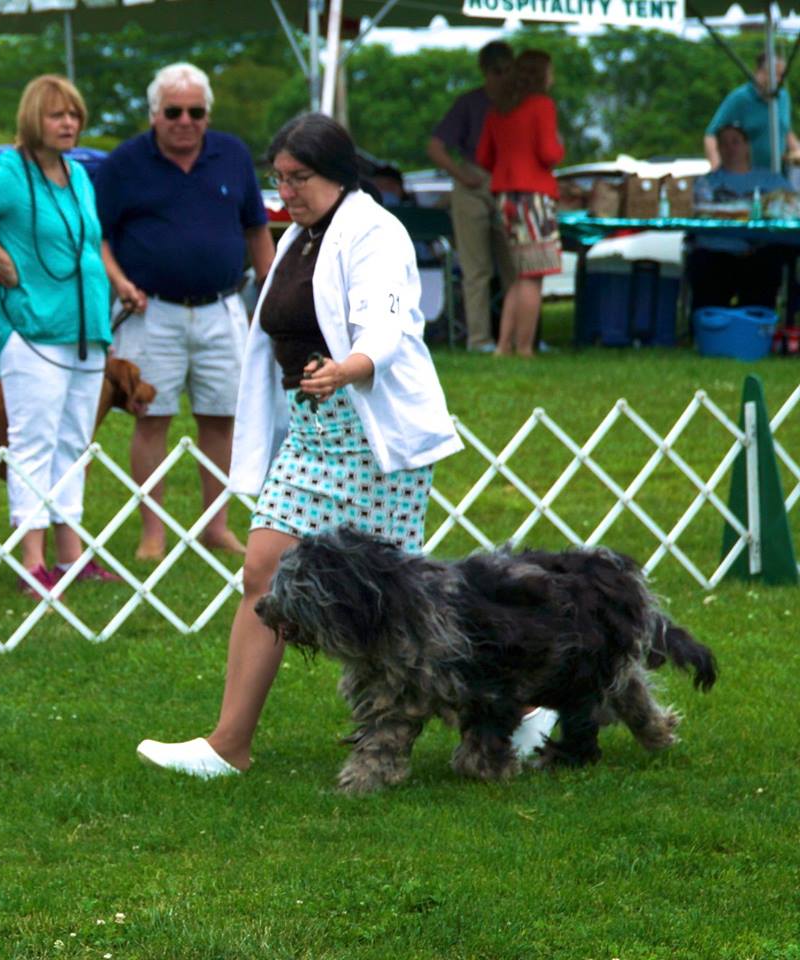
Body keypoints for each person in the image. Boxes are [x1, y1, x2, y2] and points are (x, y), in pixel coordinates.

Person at [134, 112, 557, 779]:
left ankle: (520, 710)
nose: (286, 192)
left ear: (337, 172)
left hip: (371, 438)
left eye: (298, 178)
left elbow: (386, 321)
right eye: (278, 179)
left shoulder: (376, 232)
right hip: (311, 434)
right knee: (263, 574)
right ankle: (228, 746)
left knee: (397, 606)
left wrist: (348, 367)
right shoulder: (303, 234)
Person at [0, 75, 116, 597]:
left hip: (85, 331)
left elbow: (89, 241)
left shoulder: (78, 174)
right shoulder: (10, 172)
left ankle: (71, 558)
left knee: (74, 444)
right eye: (57, 115)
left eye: (74, 115)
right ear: (32, 119)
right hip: (32, 331)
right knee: (34, 444)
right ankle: (32, 565)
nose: (68, 124)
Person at [95, 62, 275, 561]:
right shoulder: (123, 164)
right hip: (151, 311)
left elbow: (257, 230)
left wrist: (280, 295)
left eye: (196, 112)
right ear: (154, 114)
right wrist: (120, 282)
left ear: (207, 114)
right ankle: (153, 532)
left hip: (222, 308)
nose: (185, 121)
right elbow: (98, 237)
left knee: (222, 418)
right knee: (151, 418)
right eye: (173, 111)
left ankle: (214, 526)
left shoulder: (233, 155)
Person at [427, 40, 516, 353]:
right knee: (476, 269)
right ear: (485, 71)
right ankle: (479, 340)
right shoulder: (469, 103)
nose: (503, 77)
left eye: (508, 70)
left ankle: (520, 339)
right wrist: (461, 174)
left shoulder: (521, 103)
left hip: (510, 187)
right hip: (473, 183)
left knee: (517, 268)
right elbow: (435, 146)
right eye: (497, 71)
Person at [476, 49, 564, 358]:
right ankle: (525, 348)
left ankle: (503, 347)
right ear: (540, 75)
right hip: (534, 197)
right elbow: (549, 153)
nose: (553, 78)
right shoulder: (542, 105)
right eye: (550, 72)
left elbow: (484, 158)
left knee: (518, 274)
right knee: (533, 274)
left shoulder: (498, 110)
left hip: (505, 198)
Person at [689, 123, 791, 314]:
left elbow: (792, 207)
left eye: (735, 142)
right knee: (704, 264)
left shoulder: (771, 180)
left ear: (747, 146)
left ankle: (755, 328)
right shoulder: (705, 183)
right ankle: (709, 328)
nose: (730, 148)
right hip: (715, 253)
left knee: (769, 263)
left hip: (759, 253)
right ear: (718, 148)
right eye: (724, 143)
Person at [705, 52, 800, 173]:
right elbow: (711, 136)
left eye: (782, 75)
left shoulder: (783, 97)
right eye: (776, 74)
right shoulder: (740, 98)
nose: (779, 80)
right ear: (760, 72)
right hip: (748, 177)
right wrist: (717, 171)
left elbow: (785, 130)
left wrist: (797, 150)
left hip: (779, 175)